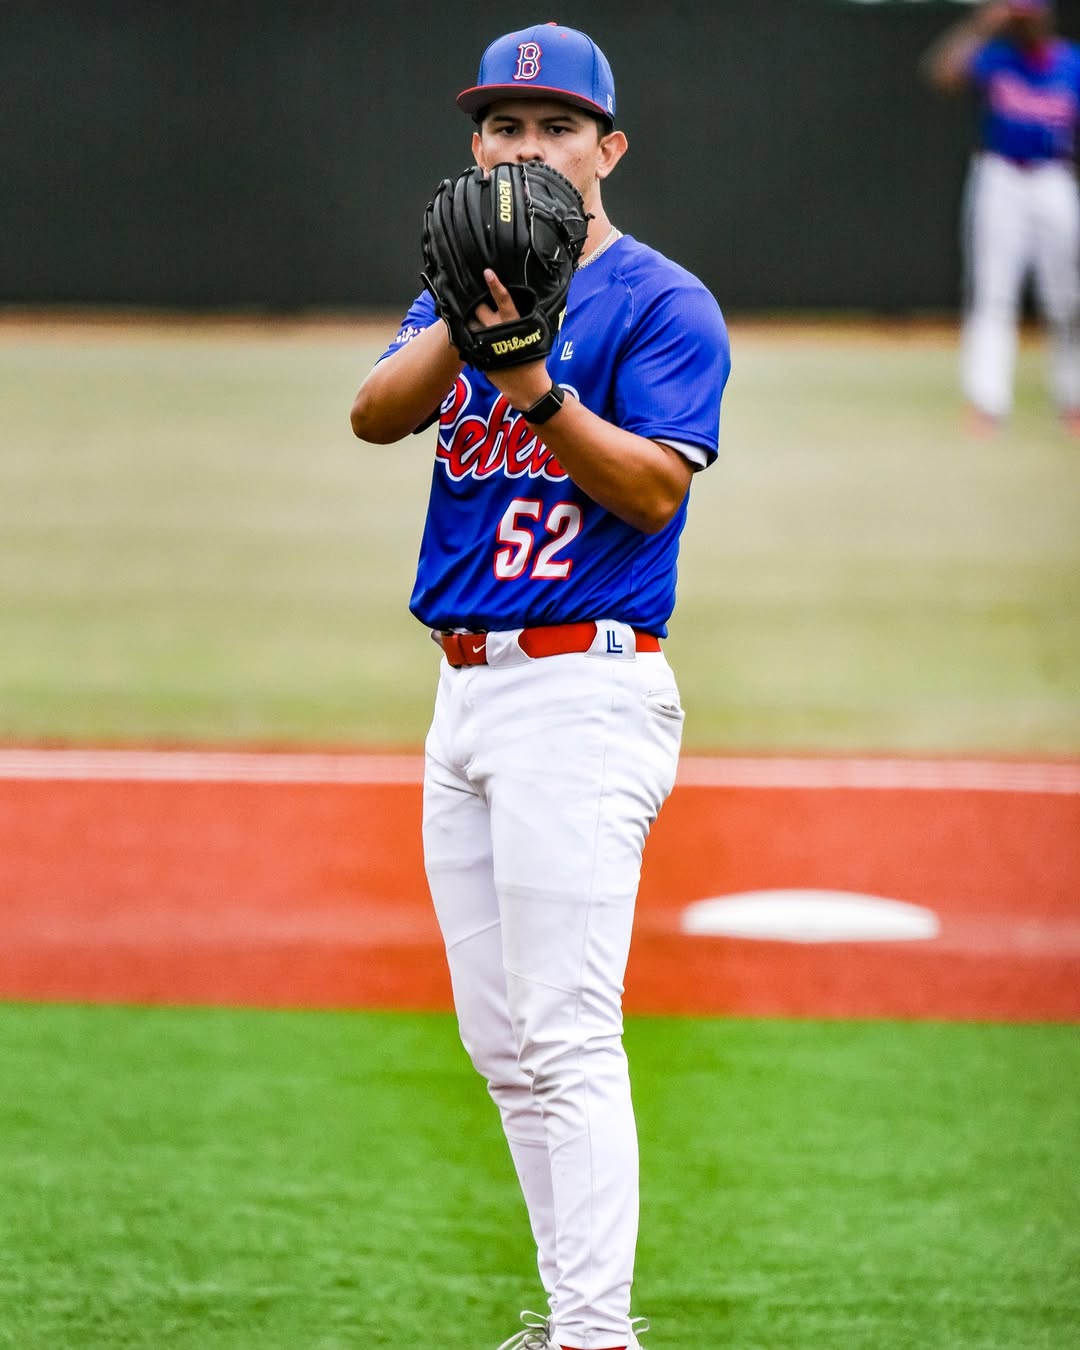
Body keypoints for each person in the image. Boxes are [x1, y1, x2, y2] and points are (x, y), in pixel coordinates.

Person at [350, 22, 730, 1350]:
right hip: (464, 697)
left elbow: (651, 487)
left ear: (608, 148)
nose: (527, 147)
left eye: (556, 126)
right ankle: (572, 1317)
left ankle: (596, 1334)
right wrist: (467, 326)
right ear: (474, 146)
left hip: (585, 691)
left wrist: (533, 382)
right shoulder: (464, 283)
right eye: (504, 127)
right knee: (501, 1043)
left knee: (566, 1035)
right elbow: (375, 412)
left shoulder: (665, 302)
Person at [921, 0, 1080, 433]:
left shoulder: (1071, 63)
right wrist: (981, 24)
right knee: (992, 294)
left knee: (1068, 298)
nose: (1024, 23)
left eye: (1030, 15)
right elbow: (942, 73)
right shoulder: (996, 56)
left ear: (1047, 16)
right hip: (1000, 176)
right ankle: (987, 403)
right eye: (1017, 15)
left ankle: (1073, 400)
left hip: (1054, 177)